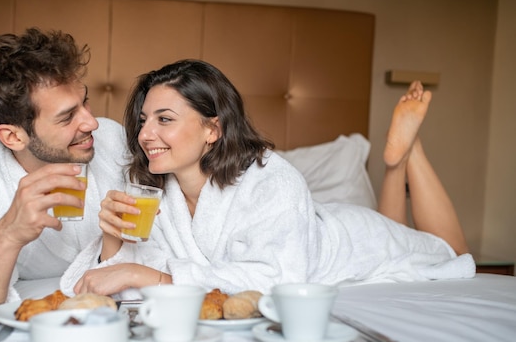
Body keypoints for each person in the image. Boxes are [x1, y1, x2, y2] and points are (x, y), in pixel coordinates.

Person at [60, 59, 474, 299]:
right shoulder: (155, 191)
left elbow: (278, 279)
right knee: (408, 230)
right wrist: (112, 241)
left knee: (450, 253)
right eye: (143, 120)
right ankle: (398, 162)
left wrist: (152, 277)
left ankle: (407, 152)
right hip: (314, 225)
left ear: (213, 129)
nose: (145, 134)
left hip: (350, 240)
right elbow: (125, 274)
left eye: (165, 119)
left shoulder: (272, 179)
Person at [0, 28, 128, 323]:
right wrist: (9, 233)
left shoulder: (112, 140)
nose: (92, 122)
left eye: (86, 101)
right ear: (13, 137)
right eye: (67, 117)